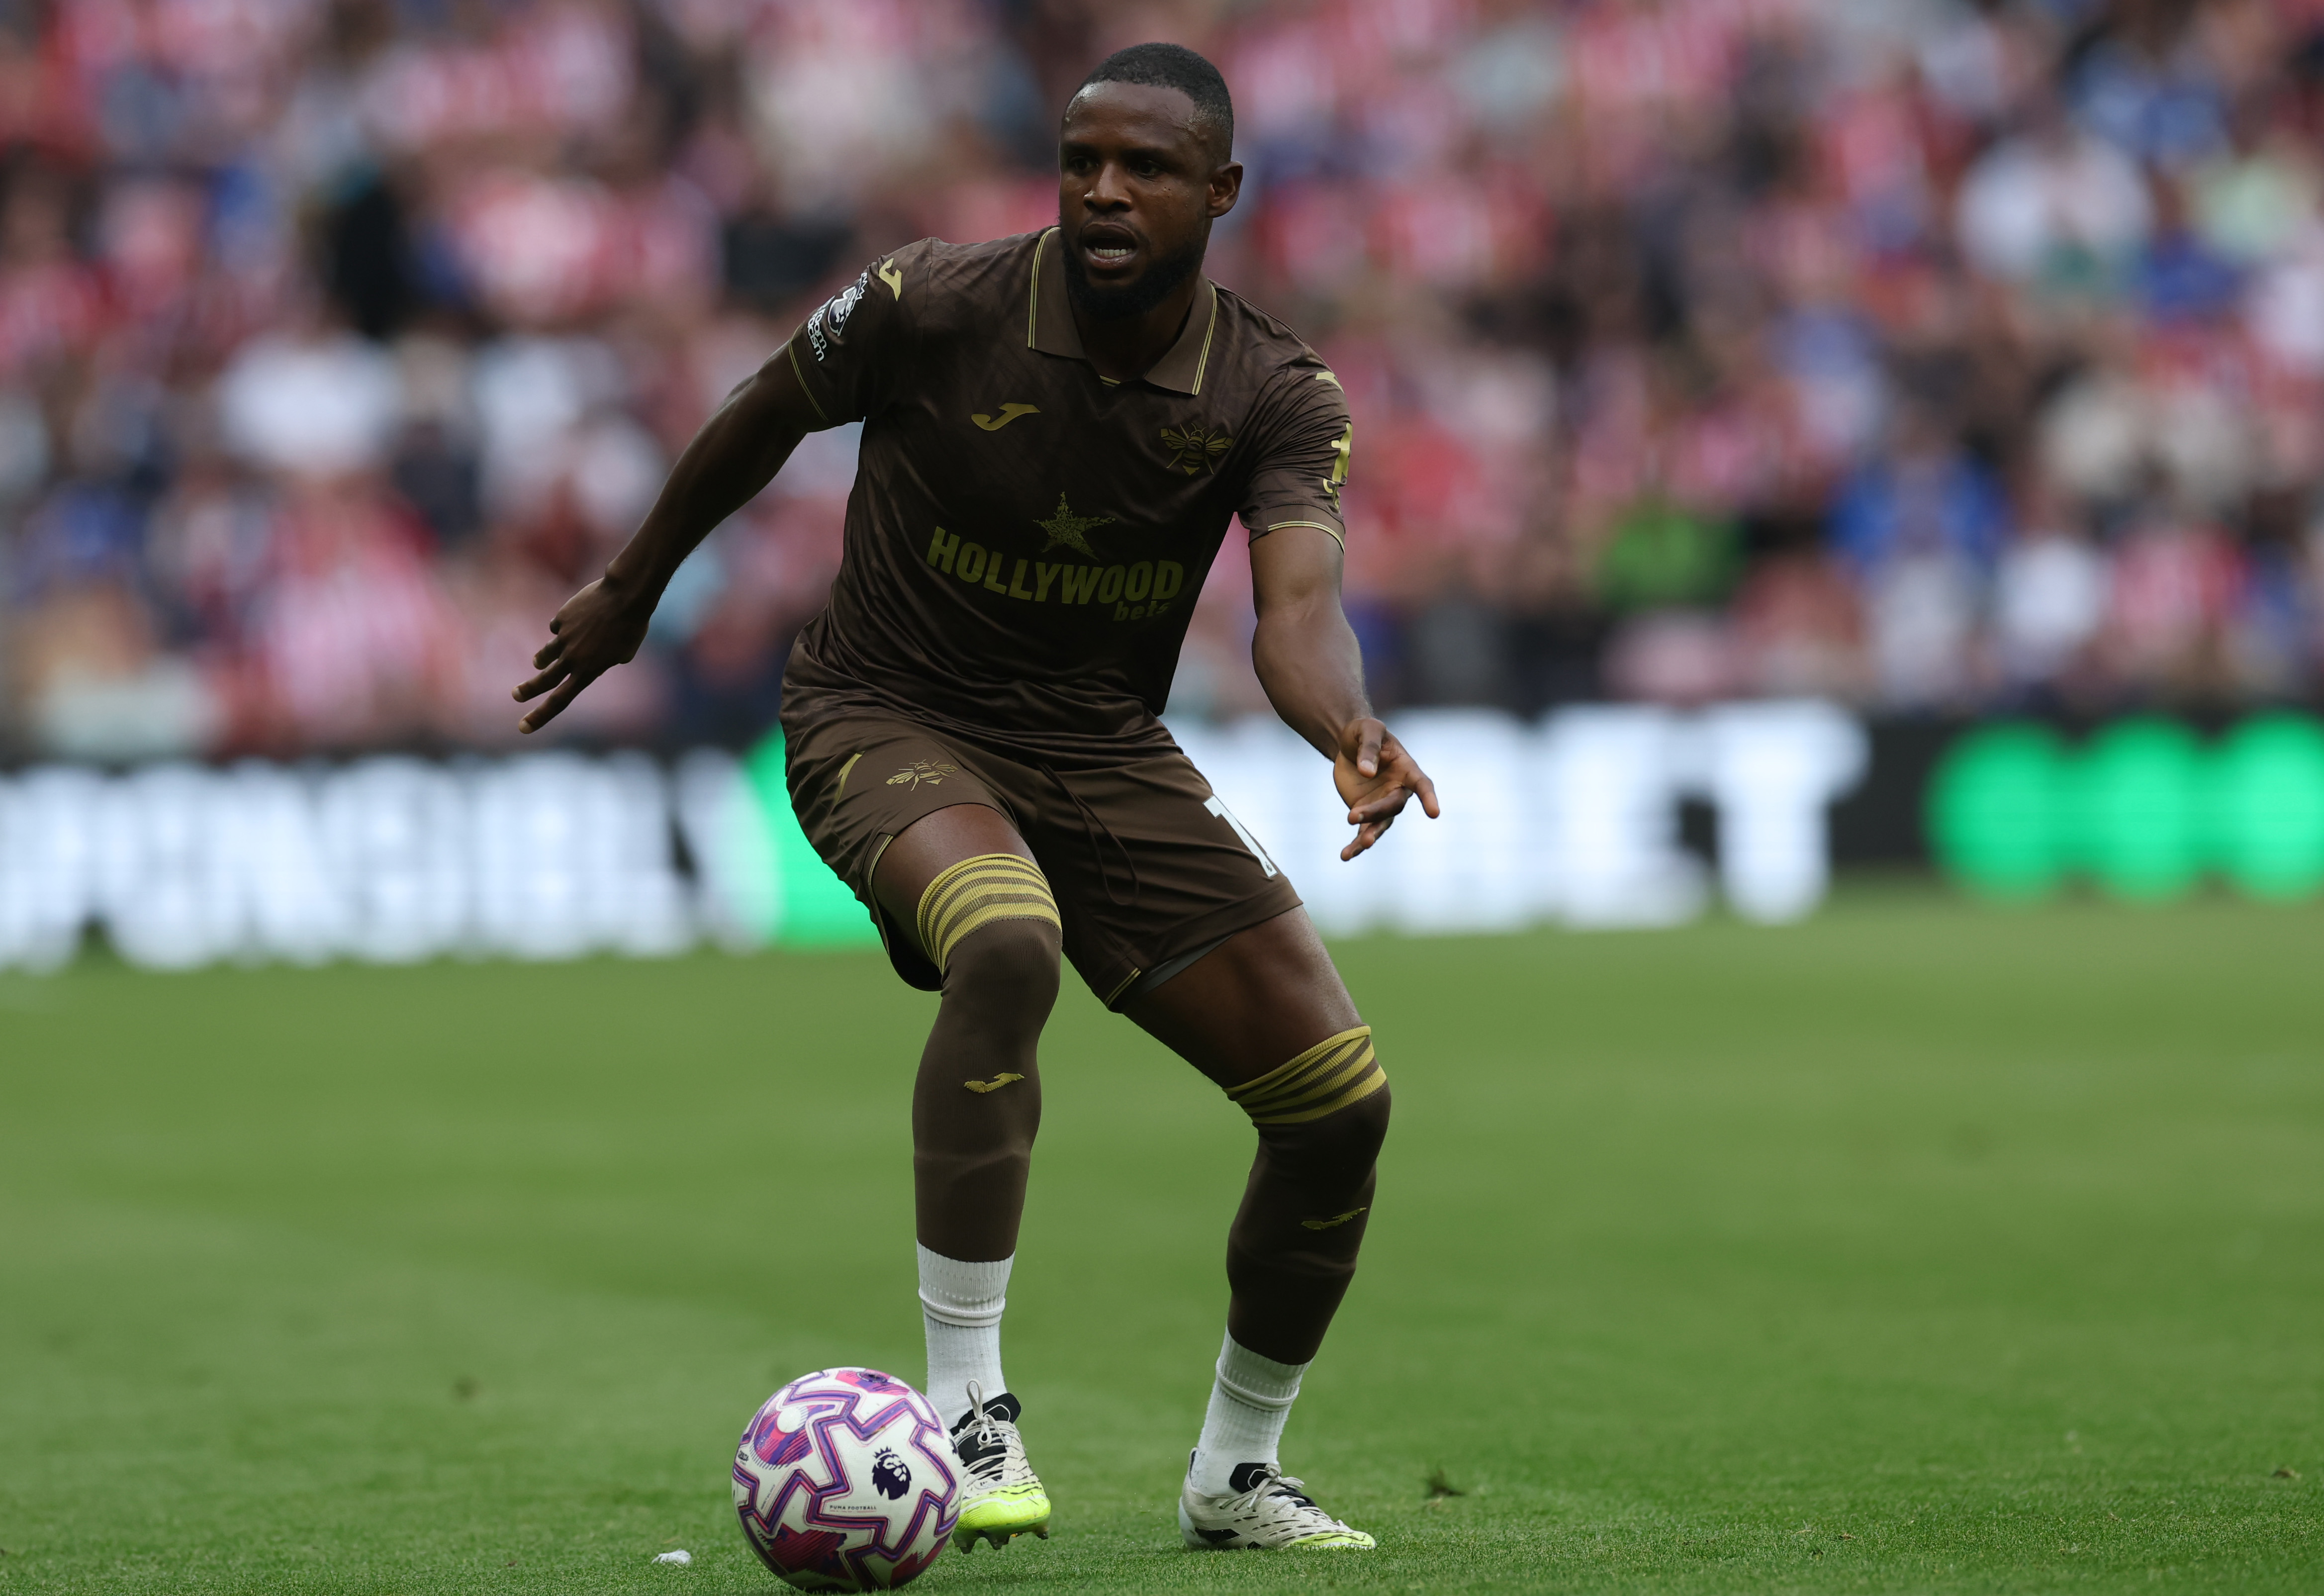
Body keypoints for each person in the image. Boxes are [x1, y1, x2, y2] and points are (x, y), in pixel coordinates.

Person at [513, 42, 1438, 1555]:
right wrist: (631, 590)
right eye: (1081, 162)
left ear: (1221, 191)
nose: (1104, 191)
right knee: (1007, 940)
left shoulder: (1276, 391)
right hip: (885, 710)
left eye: (1145, 168)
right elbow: (761, 411)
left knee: (1338, 1105)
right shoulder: (931, 300)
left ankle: (1236, 1474)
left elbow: (1296, 610)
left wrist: (1346, 722)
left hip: (1099, 751)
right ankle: (965, 1409)